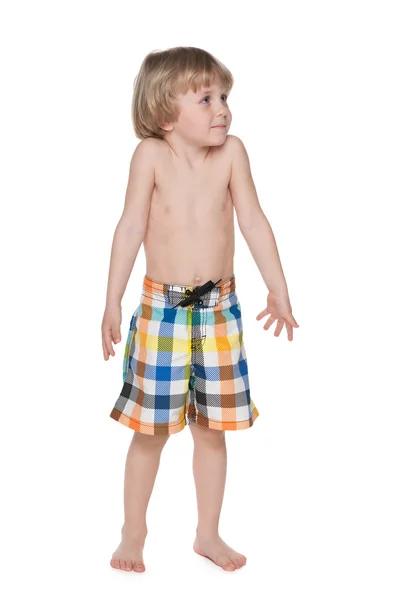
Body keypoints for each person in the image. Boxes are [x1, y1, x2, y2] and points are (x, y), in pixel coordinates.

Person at [101, 46, 299, 573]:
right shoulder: (150, 156)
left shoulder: (232, 152)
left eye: (225, 96)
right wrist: (112, 301)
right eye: (206, 98)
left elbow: (253, 221)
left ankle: (207, 534)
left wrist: (278, 289)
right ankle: (133, 533)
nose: (223, 109)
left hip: (219, 312)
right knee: (151, 432)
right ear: (167, 114)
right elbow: (129, 229)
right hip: (162, 313)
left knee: (212, 432)